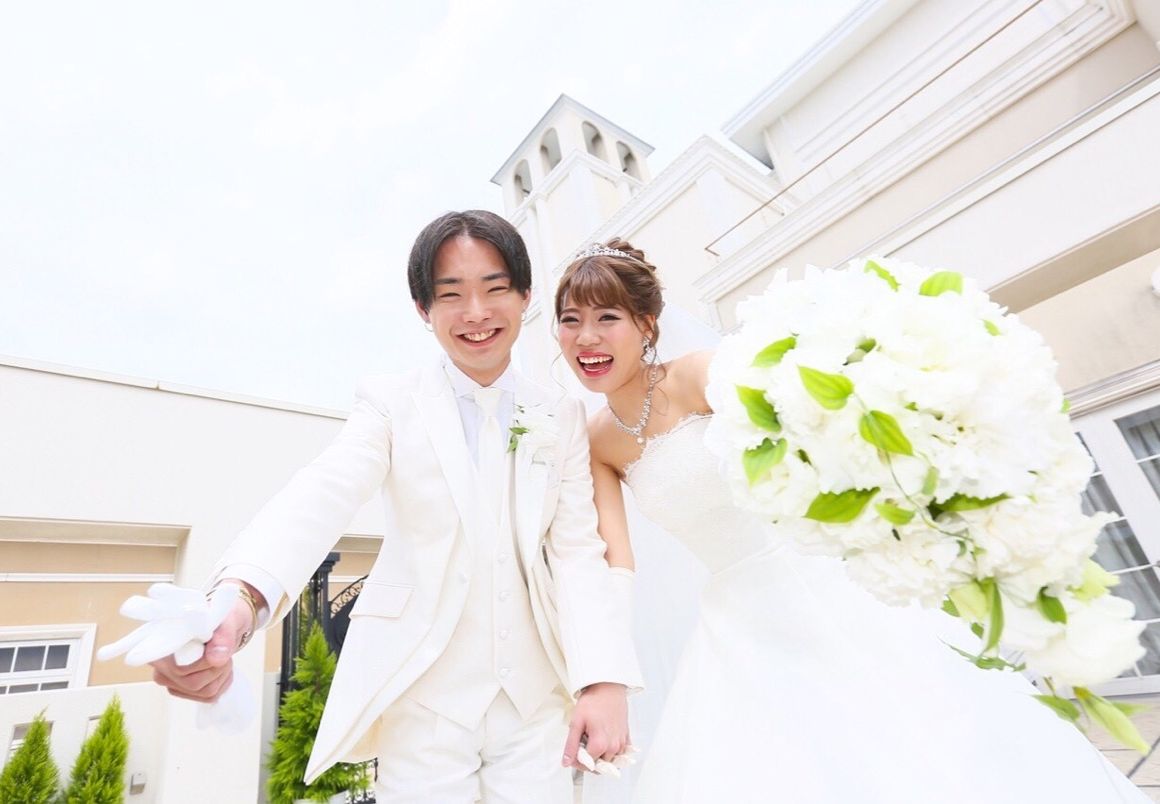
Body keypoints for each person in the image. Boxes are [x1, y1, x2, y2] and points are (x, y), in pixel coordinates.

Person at [555, 239, 1147, 803]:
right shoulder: (597, 442)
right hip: (736, 622)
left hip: (825, 588)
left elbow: (819, 431)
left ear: (646, 325)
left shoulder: (697, 377)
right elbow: (613, 567)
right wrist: (604, 676)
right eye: (570, 320)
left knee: (922, 749)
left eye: (607, 317)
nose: (587, 337)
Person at [148, 211, 642, 803]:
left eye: (493, 288)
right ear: (422, 309)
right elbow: (324, 491)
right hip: (422, 696)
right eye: (451, 294)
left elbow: (578, 552)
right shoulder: (389, 402)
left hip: (537, 701)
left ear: (525, 295)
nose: (476, 312)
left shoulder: (560, 414)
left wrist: (604, 677)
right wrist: (240, 598)